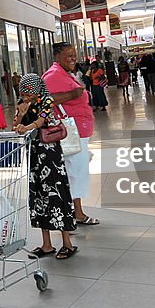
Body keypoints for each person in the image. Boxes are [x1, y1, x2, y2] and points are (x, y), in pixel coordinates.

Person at [14, 74, 77, 260]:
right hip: (33, 153)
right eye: (23, 92)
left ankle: (67, 243)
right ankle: (46, 244)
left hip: (50, 153)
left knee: (57, 193)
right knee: (39, 195)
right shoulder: (23, 103)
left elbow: (41, 122)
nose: (26, 96)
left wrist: (27, 126)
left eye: (28, 92)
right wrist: (22, 114)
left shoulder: (47, 100)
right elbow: (15, 124)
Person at [43, 42, 100, 226]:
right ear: (57, 55)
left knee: (76, 170)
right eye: (69, 55)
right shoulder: (53, 75)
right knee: (76, 172)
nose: (73, 58)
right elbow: (44, 100)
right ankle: (78, 213)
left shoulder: (63, 73)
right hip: (71, 132)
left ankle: (76, 211)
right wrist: (72, 94)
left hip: (77, 131)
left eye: (74, 54)